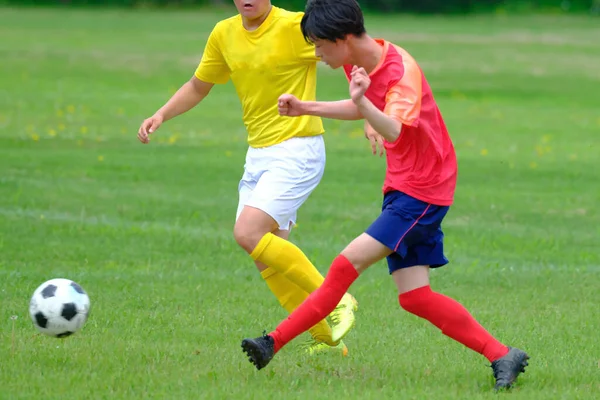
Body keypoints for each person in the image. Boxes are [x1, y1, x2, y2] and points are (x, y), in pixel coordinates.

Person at [241, 0, 529, 390]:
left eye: (320, 46)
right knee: (415, 297)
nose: (317, 54)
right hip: (406, 186)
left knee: (345, 267)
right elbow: (366, 107)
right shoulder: (356, 59)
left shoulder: (399, 71)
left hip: (423, 190)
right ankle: (502, 355)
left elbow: (392, 127)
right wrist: (305, 107)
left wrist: (364, 105)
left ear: (342, 40)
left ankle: (271, 342)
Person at [137, 0, 359, 355]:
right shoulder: (224, 33)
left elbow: (348, 53)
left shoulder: (296, 26)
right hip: (258, 154)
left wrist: (372, 113)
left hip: (297, 149)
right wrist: (161, 114)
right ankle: (326, 341)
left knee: (247, 232)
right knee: (265, 255)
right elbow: (199, 85)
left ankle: (338, 299)